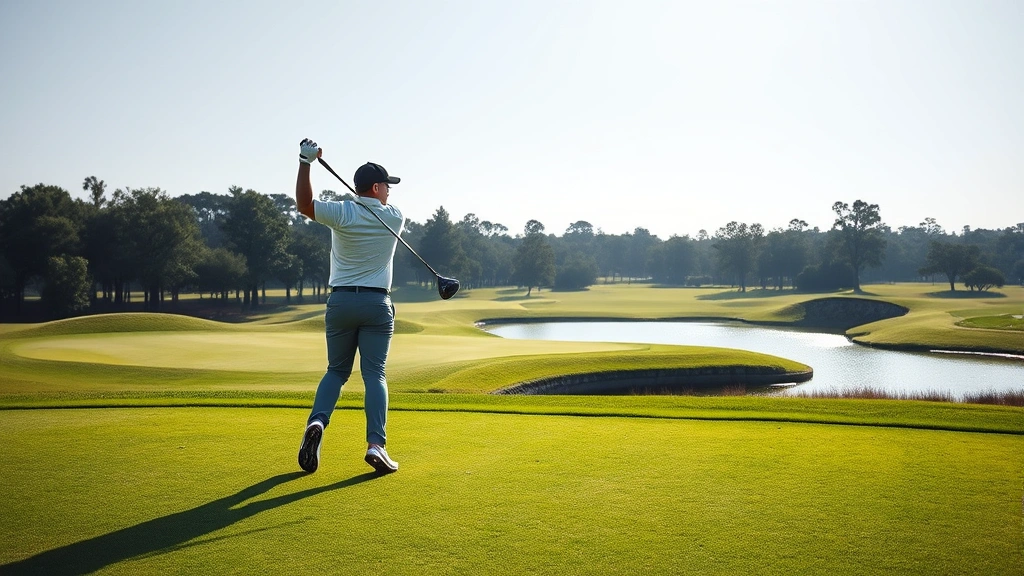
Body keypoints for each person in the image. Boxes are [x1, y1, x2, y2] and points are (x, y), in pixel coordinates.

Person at [293, 138, 404, 474]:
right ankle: (376, 446)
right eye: (387, 186)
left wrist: (305, 162)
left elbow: (304, 204)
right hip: (376, 304)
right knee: (375, 375)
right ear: (375, 187)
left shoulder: (341, 212)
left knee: (337, 371)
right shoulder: (394, 217)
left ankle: (317, 423)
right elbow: (381, 207)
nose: (390, 192)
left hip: (341, 301)